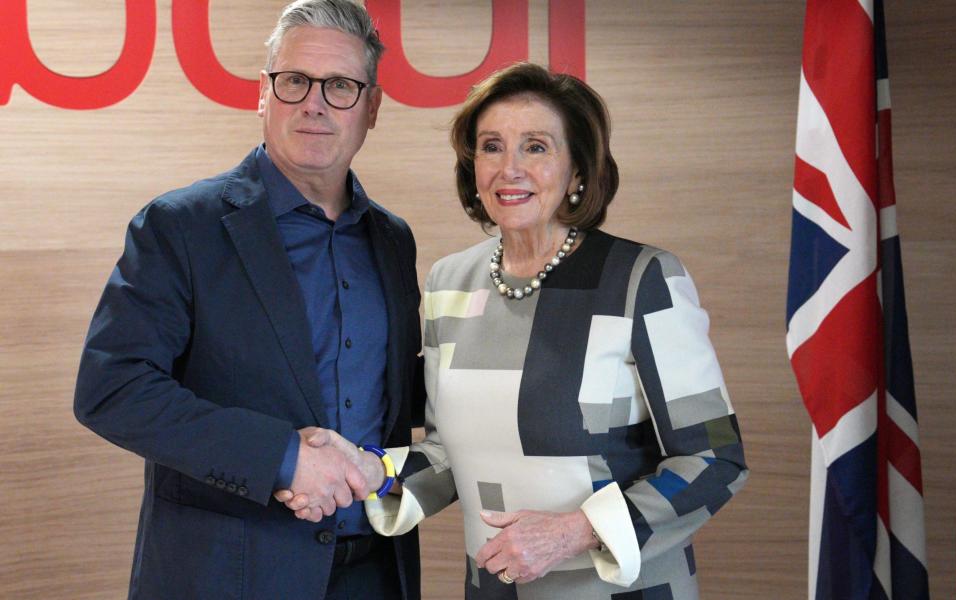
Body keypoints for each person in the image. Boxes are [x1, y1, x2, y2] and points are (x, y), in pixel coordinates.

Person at [286, 62, 749, 598]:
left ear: (578, 170)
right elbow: (449, 453)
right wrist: (373, 472)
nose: (510, 168)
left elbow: (716, 458)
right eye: (491, 146)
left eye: (535, 147)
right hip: (494, 587)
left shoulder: (642, 280)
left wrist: (576, 532)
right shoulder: (449, 283)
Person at [73, 1, 423, 598]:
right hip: (226, 574)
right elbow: (113, 389)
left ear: (372, 108)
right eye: (294, 81)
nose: (314, 103)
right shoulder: (180, 226)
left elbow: (400, 402)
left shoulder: (393, 240)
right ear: (264, 94)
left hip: (374, 572)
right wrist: (284, 457)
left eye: (340, 85)